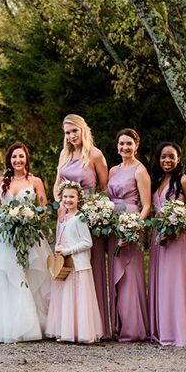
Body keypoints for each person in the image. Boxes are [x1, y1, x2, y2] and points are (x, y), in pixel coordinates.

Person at [0, 143, 51, 343]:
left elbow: (43, 209)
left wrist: (30, 220)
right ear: (9, 160)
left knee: (26, 275)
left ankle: (30, 326)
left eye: (21, 156)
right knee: (3, 277)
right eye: (14, 157)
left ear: (26, 158)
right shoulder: (2, 181)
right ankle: (2, 326)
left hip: (27, 234)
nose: (18, 160)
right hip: (4, 234)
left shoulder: (36, 181)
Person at [53, 114, 110, 338]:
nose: (71, 136)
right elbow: (57, 185)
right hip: (66, 218)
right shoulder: (64, 155)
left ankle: (91, 326)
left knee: (87, 268)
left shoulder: (95, 154)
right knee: (66, 268)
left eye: (74, 131)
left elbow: (104, 189)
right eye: (67, 133)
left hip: (87, 219)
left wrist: (98, 213)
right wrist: (59, 205)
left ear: (83, 130)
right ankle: (67, 325)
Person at [148, 142, 186, 347]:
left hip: (180, 236)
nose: (167, 161)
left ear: (179, 159)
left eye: (171, 157)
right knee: (163, 280)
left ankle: (180, 331)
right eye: (163, 157)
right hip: (159, 235)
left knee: (177, 280)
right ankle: (163, 329)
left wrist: (180, 224)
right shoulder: (158, 180)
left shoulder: (184, 181)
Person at [106, 129, 151, 342]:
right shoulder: (113, 170)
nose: (125, 147)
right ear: (117, 146)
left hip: (130, 224)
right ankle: (117, 325)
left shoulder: (140, 170)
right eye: (121, 143)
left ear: (136, 145)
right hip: (113, 226)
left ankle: (133, 328)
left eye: (129, 144)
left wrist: (132, 228)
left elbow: (147, 206)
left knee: (130, 275)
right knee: (115, 274)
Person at [45, 181, 103, 344]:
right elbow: (61, 237)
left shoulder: (80, 218)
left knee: (79, 298)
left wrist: (67, 251)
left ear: (79, 198)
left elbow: (87, 242)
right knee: (65, 297)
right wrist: (58, 248)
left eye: (72, 196)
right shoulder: (63, 218)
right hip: (65, 264)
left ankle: (84, 333)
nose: (68, 200)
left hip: (78, 264)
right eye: (65, 197)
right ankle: (65, 331)